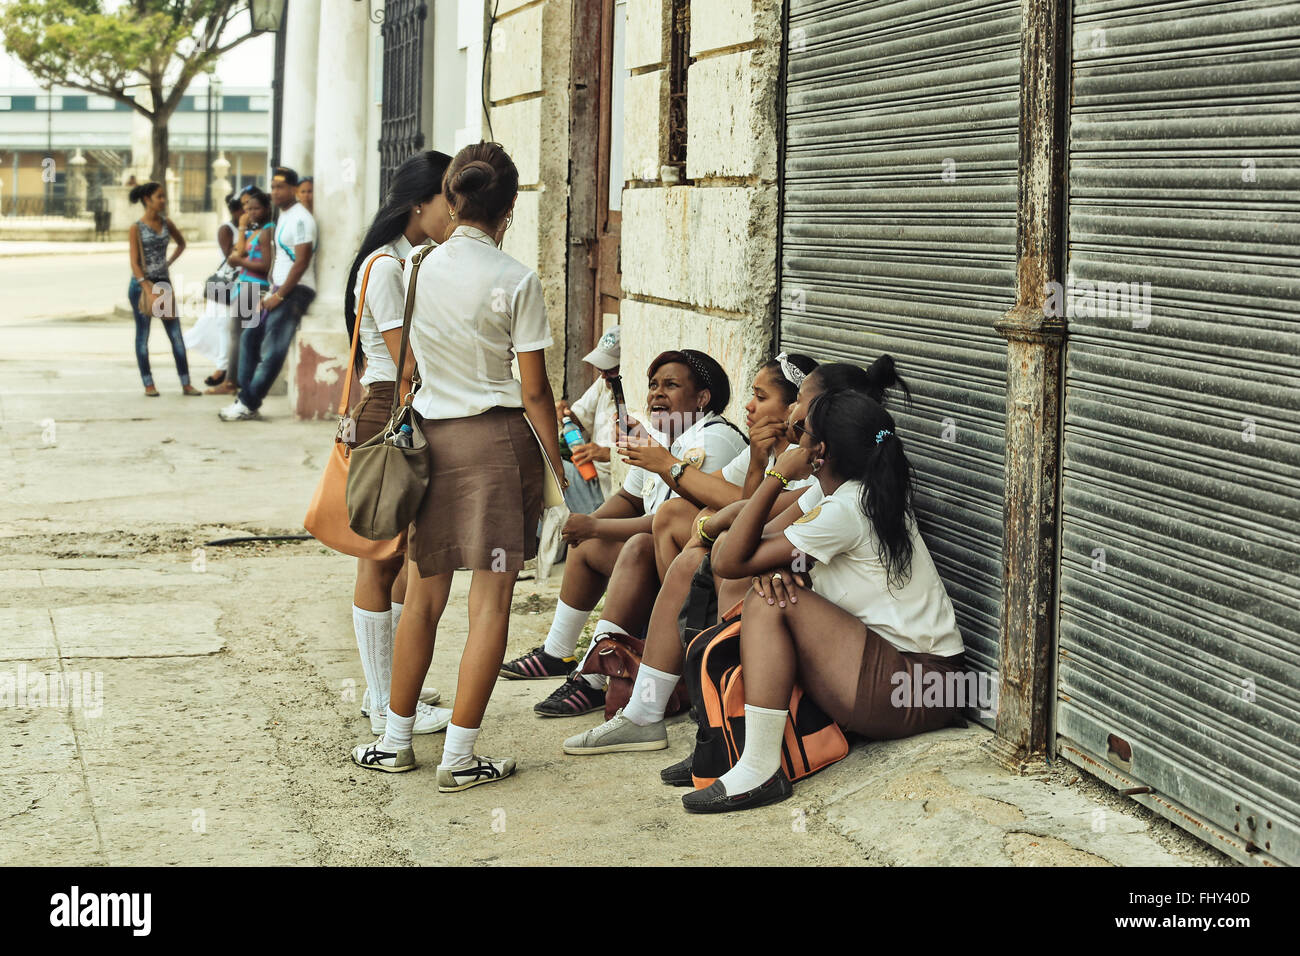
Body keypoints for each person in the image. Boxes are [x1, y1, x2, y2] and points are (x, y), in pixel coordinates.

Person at [558, 358, 909, 766]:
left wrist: (745, 487)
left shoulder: (826, 474)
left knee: (739, 579)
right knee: (708, 557)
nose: (750, 407)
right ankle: (651, 701)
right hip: (837, 624)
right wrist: (759, 467)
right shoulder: (809, 461)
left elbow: (743, 534)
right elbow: (744, 516)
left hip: (878, 660)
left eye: (766, 397)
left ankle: (722, 718)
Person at [350, 142, 566, 792]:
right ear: (511, 206)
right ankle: (460, 758)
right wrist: (560, 465)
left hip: (432, 446)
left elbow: (410, 366)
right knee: (491, 603)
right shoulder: (517, 280)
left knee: (421, 599)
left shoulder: (415, 267)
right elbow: (533, 391)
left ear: (451, 192)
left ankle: (393, 741)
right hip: (499, 449)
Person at [684, 387, 966, 812]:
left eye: (802, 432)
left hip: (919, 684)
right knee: (768, 587)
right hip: (906, 676)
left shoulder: (846, 508)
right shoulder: (841, 491)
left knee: (770, 602)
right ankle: (729, 744)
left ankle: (759, 768)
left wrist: (777, 475)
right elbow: (744, 549)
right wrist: (772, 565)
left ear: (820, 452)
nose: (794, 437)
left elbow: (728, 558)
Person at [499, 350, 747, 718]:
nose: (656, 395)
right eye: (652, 386)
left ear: (702, 399)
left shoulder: (713, 439)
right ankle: (557, 651)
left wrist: (595, 525)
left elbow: (676, 519)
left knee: (636, 545)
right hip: (667, 556)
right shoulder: (660, 439)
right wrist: (586, 526)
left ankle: (595, 677)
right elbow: (630, 499)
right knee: (592, 546)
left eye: (671, 385)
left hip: (700, 571)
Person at [342, 150, 455, 739]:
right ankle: (385, 702)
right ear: (420, 204)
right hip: (390, 405)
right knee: (381, 556)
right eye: (447, 200)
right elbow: (405, 360)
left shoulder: (400, 260)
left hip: (389, 404)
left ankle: (381, 687)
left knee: (397, 552)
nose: (453, 213)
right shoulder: (385, 267)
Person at [219, 166, 317, 421]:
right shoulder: (284, 215)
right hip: (279, 289)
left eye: (280, 187)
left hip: (295, 291)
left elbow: (302, 262)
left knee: (273, 349)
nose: (275, 191)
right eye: (272, 187)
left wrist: (280, 295)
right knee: (249, 337)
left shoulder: (301, 219)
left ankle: (249, 403)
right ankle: (244, 396)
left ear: (293, 189)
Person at [125, 181, 199, 397]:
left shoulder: (167, 223)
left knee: (176, 335)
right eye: (159, 196)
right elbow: (134, 263)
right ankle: (148, 384)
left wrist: (167, 264)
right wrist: (146, 288)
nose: (163, 200)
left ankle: (186, 383)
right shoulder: (136, 228)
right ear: (147, 200)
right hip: (142, 286)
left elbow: (181, 244)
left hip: (163, 284)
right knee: (143, 335)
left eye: (164, 196)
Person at [213, 187, 275, 396]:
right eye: (247, 209)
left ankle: (233, 382)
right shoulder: (254, 230)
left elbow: (265, 265)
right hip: (244, 285)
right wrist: (241, 228)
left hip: (254, 287)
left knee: (240, 336)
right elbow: (236, 252)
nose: (251, 213)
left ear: (266, 208)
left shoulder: (268, 230)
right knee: (237, 334)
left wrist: (240, 260)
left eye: (256, 208)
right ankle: (235, 380)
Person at [555, 325, 621, 513]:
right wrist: (565, 413)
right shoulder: (605, 383)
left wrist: (607, 454)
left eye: (610, 369)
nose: (603, 375)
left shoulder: (635, 398)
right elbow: (577, 418)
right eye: (602, 369)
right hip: (589, 474)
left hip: (606, 491)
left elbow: (644, 457)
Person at [184, 193, 243, 387]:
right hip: (226, 284)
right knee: (223, 326)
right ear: (235, 211)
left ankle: (228, 368)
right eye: (244, 208)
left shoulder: (254, 228)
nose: (248, 212)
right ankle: (222, 368)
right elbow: (232, 256)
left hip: (246, 283)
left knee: (229, 328)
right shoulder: (227, 229)